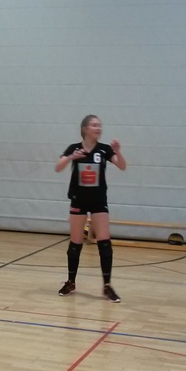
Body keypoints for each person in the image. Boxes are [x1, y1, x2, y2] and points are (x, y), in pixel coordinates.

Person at [55, 114, 127, 302]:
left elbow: (122, 166)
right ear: (85, 129)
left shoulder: (104, 149)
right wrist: (71, 157)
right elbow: (58, 167)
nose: (98, 128)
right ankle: (71, 282)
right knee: (75, 243)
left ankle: (107, 286)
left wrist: (118, 152)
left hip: (98, 200)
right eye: (94, 125)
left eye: (99, 125)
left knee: (104, 242)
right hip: (78, 199)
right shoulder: (74, 148)